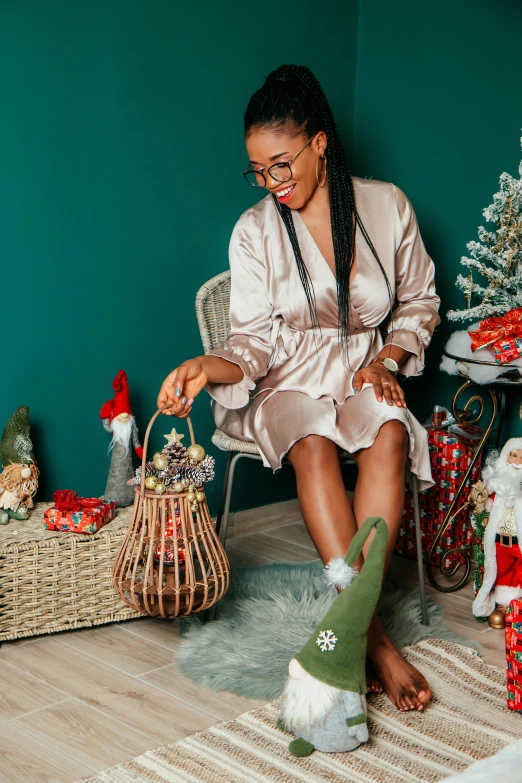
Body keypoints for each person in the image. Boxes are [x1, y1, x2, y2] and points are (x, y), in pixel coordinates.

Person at [157, 64, 441, 713]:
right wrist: (208, 364)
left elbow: (420, 300)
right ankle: (373, 636)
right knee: (312, 442)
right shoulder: (254, 231)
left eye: (280, 164)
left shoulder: (385, 205)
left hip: (366, 369)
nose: (270, 183)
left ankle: (354, 626)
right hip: (287, 382)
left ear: (319, 143)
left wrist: (389, 360)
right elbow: (251, 344)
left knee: (391, 433)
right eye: (257, 170)